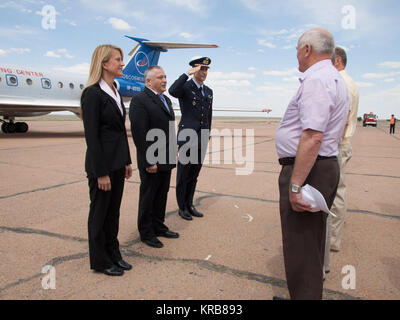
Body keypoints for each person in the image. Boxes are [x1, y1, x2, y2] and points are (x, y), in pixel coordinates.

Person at [275, 28, 349, 299]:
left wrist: (295, 185)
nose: (296, 55)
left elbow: (312, 135)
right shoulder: (334, 78)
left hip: (308, 171)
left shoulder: (317, 79)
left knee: (301, 249)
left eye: (297, 49)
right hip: (320, 167)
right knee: (310, 246)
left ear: (307, 49)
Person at [81, 44, 133, 276]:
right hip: (101, 165)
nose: (122, 63)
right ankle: (100, 261)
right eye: (118, 60)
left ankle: (114, 254)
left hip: (117, 162)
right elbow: (92, 136)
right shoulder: (92, 93)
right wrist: (101, 172)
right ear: (104, 64)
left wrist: (127, 161)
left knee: (113, 212)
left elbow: (120, 132)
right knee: (100, 213)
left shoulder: (114, 91)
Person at [129, 66, 179, 248]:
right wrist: (150, 161)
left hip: (166, 157)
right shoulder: (140, 101)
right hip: (152, 159)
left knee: (162, 194)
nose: (165, 80)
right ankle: (146, 232)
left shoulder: (165, 100)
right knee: (149, 195)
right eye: (160, 77)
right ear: (148, 81)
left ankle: (159, 226)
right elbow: (140, 134)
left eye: (165, 76)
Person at [324, 47, 360, 275]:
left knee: (336, 193)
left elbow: (344, 119)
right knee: (339, 191)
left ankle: (333, 240)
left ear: (337, 60)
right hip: (343, 144)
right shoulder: (351, 82)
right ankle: (333, 238)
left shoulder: (342, 83)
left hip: (338, 144)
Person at [169, 57, 213, 221]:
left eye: (206, 69)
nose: (204, 72)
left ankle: (190, 204)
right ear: (195, 69)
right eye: (201, 69)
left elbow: (209, 115)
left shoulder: (208, 91)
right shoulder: (186, 87)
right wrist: (186, 74)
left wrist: (207, 134)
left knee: (194, 174)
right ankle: (182, 207)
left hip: (201, 138)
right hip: (188, 138)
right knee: (183, 174)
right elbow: (172, 90)